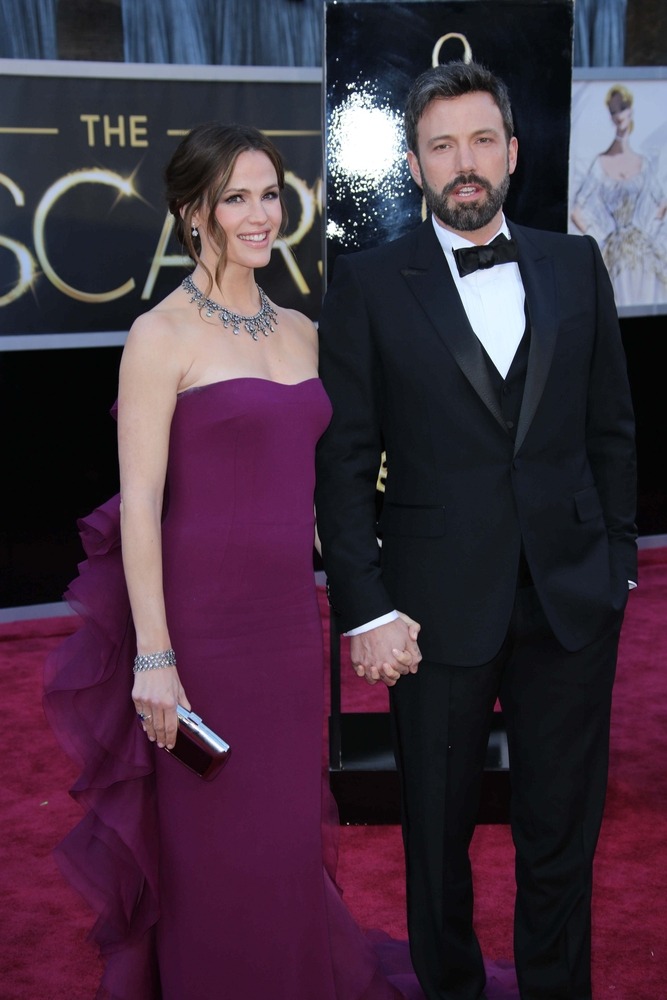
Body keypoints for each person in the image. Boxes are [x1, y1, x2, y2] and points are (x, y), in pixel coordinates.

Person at [43, 122, 407, 1000]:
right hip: (200, 637)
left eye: (269, 194)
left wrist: (376, 598)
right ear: (192, 212)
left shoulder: (302, 330)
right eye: (234, 197)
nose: (258, 214)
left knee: (282, 841)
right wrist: (155, 658)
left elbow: (325, 502)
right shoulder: (158, 336)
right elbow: (139, 511)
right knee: (211, 852)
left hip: (287, 631)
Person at [315, 62, 637, 1000]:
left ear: (512, 152)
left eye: (482, 140)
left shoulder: (574, 264)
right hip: (432, 609)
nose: (466, 162)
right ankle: (448, 985)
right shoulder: (369, 285)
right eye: (442, 145)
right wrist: (367, 607)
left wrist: (615, 564)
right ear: (413, 164)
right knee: (436, 830)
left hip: (571, 598)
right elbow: (342, 464)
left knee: (560, 829)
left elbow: (611, 429)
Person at [570, 83, 667, 308]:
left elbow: (662, 202)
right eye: (613, 110)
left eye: (622, 108)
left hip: (643, 251)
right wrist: (598, 236)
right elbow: (576, 210)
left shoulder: (643, 163)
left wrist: (650, 230)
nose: (618, 115)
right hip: (612, 251)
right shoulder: (600, 163)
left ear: (630, 109)